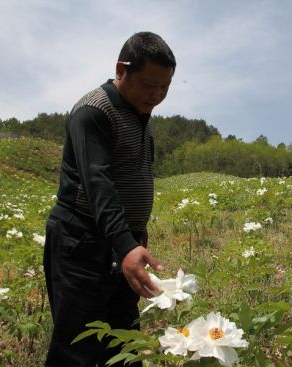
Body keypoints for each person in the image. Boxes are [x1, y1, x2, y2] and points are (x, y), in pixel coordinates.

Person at [43, 32, 175, 366]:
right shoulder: (93, 111)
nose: (157, 95)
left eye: (165, 87)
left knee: (124, 343)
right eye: (149, 84)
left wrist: (133, 236)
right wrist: (125, 242)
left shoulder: (140, 115)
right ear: (121, 69)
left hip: (119, 245)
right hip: (81, 241)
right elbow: (96, 183)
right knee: (79, 346)